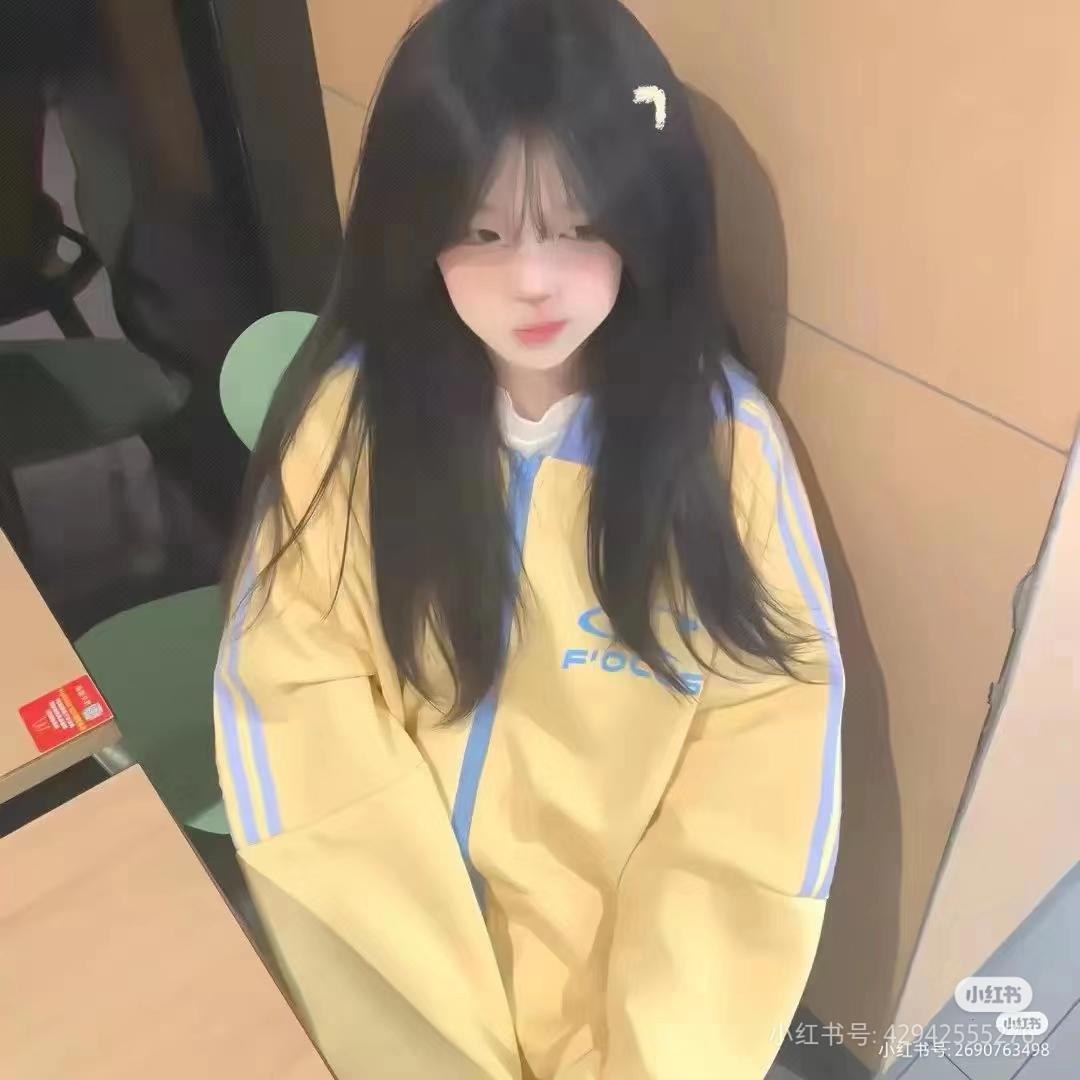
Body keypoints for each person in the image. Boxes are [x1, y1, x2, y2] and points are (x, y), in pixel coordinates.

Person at [212, 0, 844, 1076]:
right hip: (388, 1001)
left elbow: (761, 789)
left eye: (580, 226)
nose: (534, 280)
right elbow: (292, 702)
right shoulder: (353, 425)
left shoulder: (722, 453)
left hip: (630, 1020)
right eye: (483, 232)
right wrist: (427, 1038)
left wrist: (645, 1056)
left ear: (647, 218)